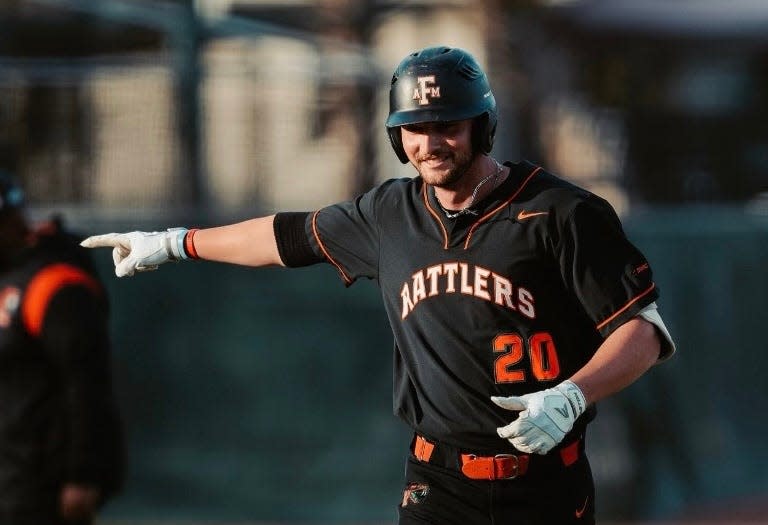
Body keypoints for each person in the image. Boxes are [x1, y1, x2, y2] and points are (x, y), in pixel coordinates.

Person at [82, 46, 674, 524]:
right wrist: (175, 242)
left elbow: (642, 335)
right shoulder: (388, 213)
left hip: (546, 480)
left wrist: (572, 394)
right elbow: (285, 238)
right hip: (438, 484)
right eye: (414, 127)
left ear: (481, 125)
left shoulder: (563, 212)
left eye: (447, 124)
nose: (430, 142)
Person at [0, 171, 126, 525]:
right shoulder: (9, 275)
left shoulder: (53, 282)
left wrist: (83, 475)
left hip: (44, 481)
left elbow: (87, 381)